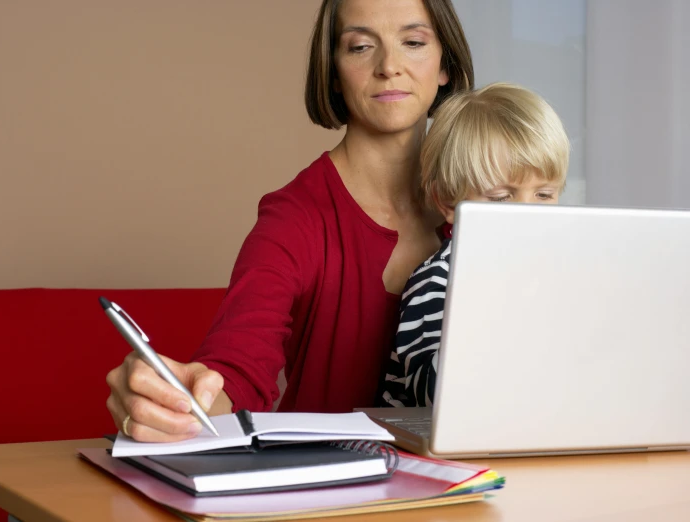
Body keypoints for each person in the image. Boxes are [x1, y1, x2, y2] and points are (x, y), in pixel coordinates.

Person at [106, 0, 474, 442]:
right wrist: (180, 399)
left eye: (413, 42)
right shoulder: (292, 219)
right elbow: (237, 371)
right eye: (360, 47)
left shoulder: (484, 208)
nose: (389, 66)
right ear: (334, 73)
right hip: (331, 495)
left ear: (444, 66)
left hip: (469, 485)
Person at [378, 82, 570, 408]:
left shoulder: (553, 273)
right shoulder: (438, 279)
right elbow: (431, 396)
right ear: (448, 202)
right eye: (502, 197)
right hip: (422, 453)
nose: (529, 213)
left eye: (544, 194)